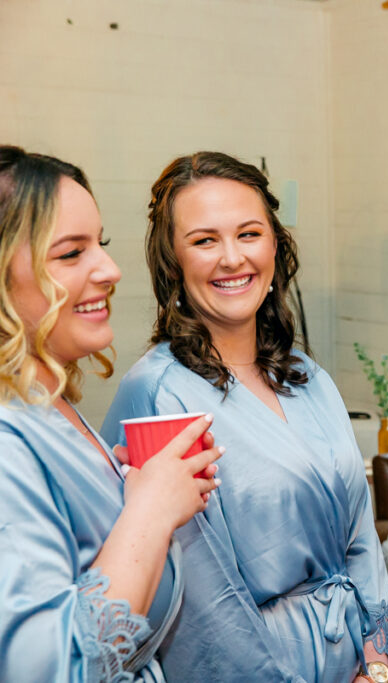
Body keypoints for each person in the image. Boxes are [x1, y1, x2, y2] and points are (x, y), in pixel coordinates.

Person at [101, 152, 388, 683]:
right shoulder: (158, 393)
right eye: (204, 240)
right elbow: (202, 603)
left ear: (275, 245)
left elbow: (360, 534)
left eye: (249, 234)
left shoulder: (308, 377)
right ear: (172, 261)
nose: (232, 258)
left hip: (352, 657)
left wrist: (372, 657)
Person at [0, 146, 222, 681]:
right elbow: (48, 669)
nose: (110, 270)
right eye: (71, 253)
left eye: (99, 244)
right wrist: (151, 510)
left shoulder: (53, 407)